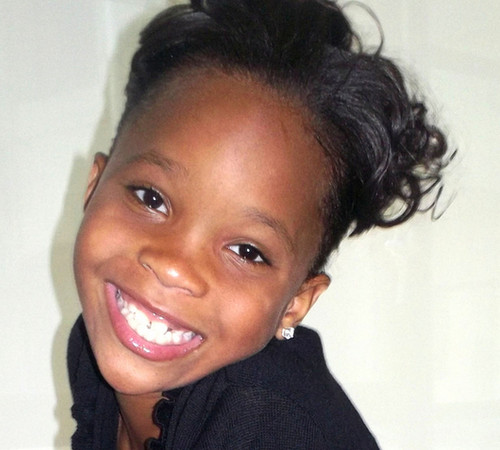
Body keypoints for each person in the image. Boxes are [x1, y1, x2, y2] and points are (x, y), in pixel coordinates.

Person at [67, 0, 449, 448]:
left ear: (295, 303)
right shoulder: (92, 351)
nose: (174, 267)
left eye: (247, 251)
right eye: (151, 198)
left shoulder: (264, 420)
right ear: (94, 185)